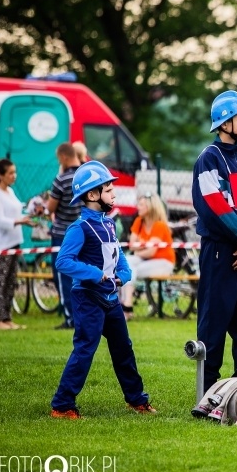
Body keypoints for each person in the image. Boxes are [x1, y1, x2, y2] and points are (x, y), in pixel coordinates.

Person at [50, 161, 156, 418]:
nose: (114, 194)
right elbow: (63, 261)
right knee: (85, 349)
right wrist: (95, 274)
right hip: (87, 298)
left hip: (111, 300)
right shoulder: (79, 228)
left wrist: (125, 272)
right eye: (109, 189)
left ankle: (136, 400)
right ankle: (62, 405)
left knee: (124, 349)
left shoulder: (108, 224)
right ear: (92, 195)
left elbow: (117, 255)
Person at [192, 90, 237, 391]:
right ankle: (208, 390)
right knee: (214, 322)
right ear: (225, 123)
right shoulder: (209, 158)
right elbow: (213, 206)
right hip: (221, 252)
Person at [121, 192, 175, 319]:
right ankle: (126, 304)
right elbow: (132, 245)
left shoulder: (159, 225)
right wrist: (143, 246)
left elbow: (151, 252)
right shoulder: (139, 221)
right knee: (125, 263)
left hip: (163, 262)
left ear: (150, 207)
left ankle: (126, 306)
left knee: (130, 268)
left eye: (141, 205)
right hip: (145, 260)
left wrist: (139, 248)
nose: (138, 207)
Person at [0, 159, 34, 330]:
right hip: (1, 245)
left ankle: (7, 318)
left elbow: (18, 209)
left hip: (14, 243)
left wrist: (32, 214)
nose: (14, 176)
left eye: (14, 172)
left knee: (10, 282)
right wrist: (20, 221)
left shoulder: (10, 191)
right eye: (10, 173)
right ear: (0, 175)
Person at [48, 143, 82, 329]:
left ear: (64, 157)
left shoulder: (61, 179)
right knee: (83, 274)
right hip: (85, 232)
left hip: (63, 234)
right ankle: (85, 315)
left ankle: (71, 318)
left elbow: (51, 208)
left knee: (64, 276)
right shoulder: (88, 177)